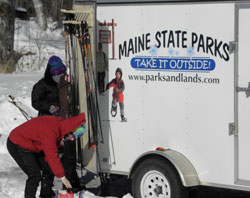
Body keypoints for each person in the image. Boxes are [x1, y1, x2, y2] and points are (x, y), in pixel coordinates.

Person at [31, 56, 81, 192]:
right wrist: (49, 107)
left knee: (67, 155)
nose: (59, 76)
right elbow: (35, 102)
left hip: (61, 123)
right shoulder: (42, 85)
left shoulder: (63, 84)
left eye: (61, 74)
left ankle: (72, 184)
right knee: (50, 157)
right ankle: (46, 189)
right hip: (47, 125)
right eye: (56, 74)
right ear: (51, 73)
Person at [6, 113, 86, 198]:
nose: (73, 139)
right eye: (74, 135)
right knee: (34, 174)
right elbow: (51, 155)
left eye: (78, 136)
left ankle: (46, 194)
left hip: (30, 144)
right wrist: (63, 178)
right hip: (17, 143)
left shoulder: (59, 126)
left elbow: (50, 157)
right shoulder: (52, 130)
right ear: (69, 130)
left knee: (47, 166)